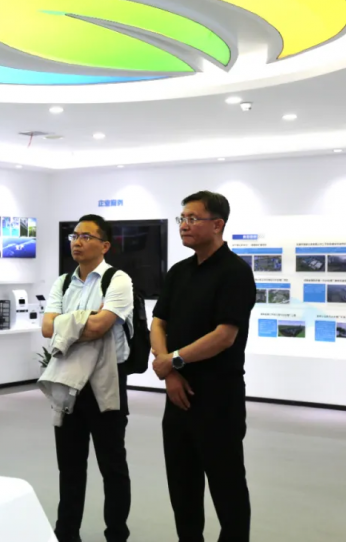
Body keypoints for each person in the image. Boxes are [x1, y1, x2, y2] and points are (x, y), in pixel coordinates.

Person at [150, 191, 256, 542]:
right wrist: (170, 372)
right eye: (182, 218)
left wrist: (173, 360)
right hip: (177, 397)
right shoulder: (178, 272)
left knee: (228, 491)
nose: (184, 225)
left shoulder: (235, 273)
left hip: (218, 398)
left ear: (218, 224)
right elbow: (158, 323)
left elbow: (224, 336)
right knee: (183, 491)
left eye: (193, 218)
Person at [42, 214, 134, 542]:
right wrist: (86, 318)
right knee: (69, 466)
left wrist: (69, 323)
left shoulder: (117, 280)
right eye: (74, 236)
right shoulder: (63, 282)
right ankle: (67, 534)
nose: (77, 242)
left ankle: (116, 534)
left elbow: (100, 326)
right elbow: (47, 328)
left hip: (105, 381)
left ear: (104, 245)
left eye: (86, 236)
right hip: (68, 379)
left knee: (113, 466)